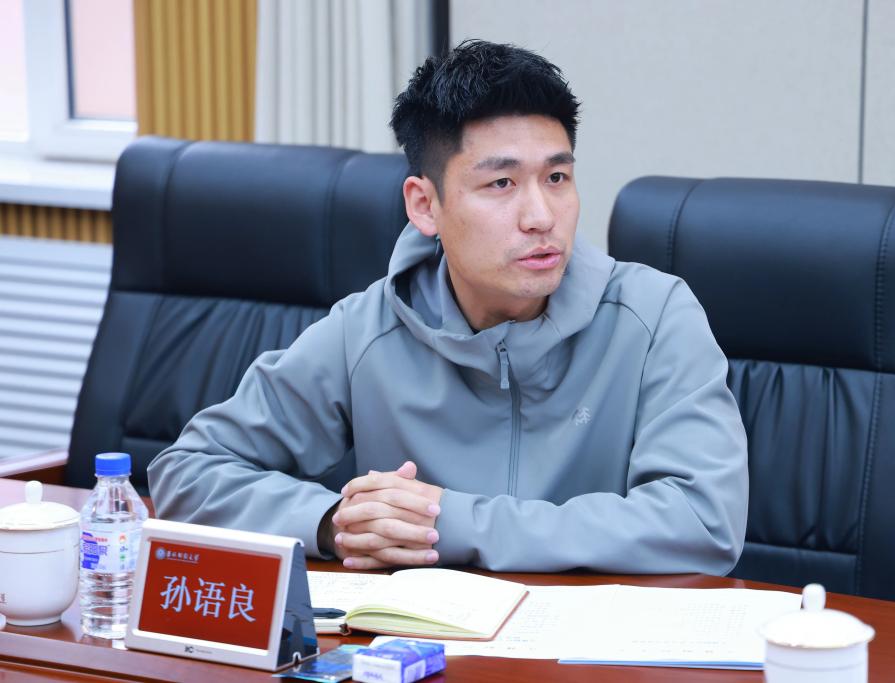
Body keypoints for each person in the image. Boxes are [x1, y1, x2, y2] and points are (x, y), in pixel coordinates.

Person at [148, 39, 748, 574]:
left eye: (557, 178)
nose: (541, 216)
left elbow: (702, 521)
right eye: (501, 184)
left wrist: (448, 523)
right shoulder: (368, 329)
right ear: (424, 205)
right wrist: (334, 522)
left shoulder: (654, 315)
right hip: (420, 644)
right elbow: (189, 471)